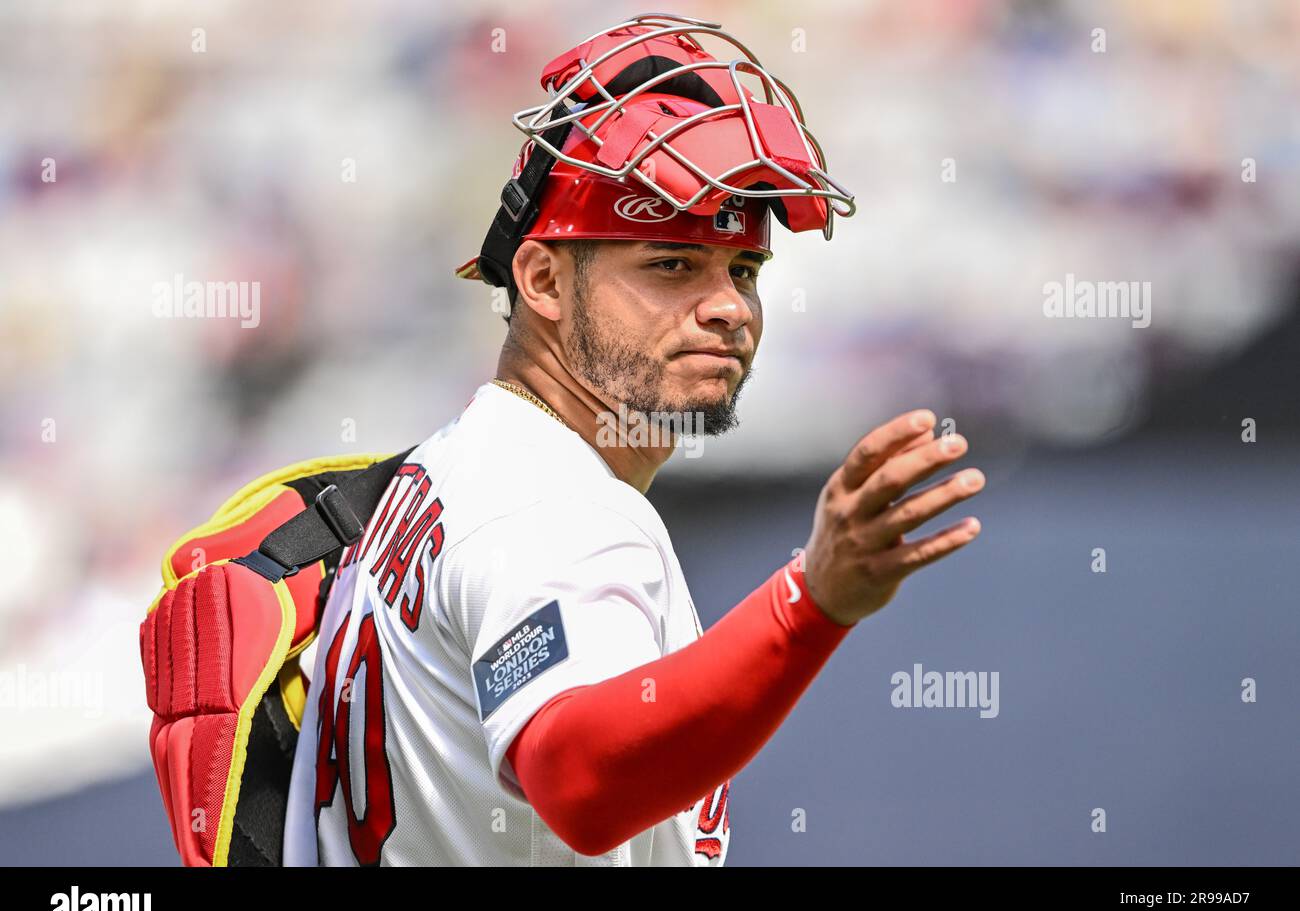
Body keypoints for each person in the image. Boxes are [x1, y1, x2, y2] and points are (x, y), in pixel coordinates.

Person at [272, 13, 986, 866]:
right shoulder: (547, 501)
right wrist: (812, 602)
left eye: (743, 271)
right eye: (671, 265)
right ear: (541, 279)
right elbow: (579, 779)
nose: (728, 306)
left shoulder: (448, 467)